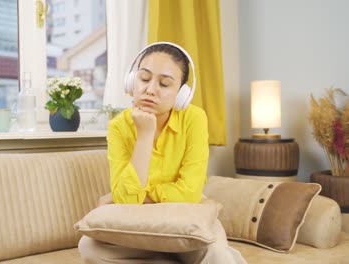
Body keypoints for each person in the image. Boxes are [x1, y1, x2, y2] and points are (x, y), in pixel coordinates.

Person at [78, 42, 247, 264]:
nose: (150, 89)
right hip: (138, 221)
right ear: (131, 82)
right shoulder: (118, 127)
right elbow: (127, 201)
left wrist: (139, 196)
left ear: (181, 94)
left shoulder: (194, 118)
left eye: (165, 84)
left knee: (217, 254)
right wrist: (145, 135)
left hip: (186, 216)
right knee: (88, 247)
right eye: (144, 79)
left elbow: (189, 193)